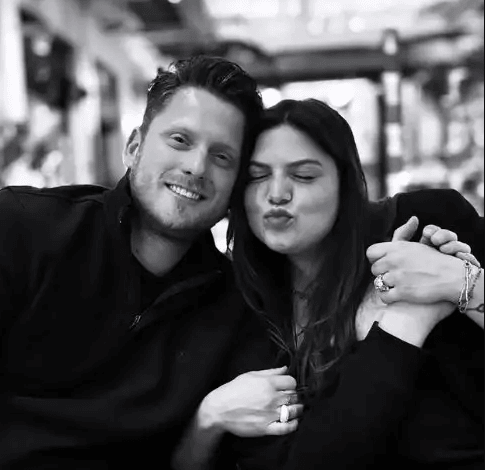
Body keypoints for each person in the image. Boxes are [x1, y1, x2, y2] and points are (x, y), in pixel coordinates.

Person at [0, 56, 304, 469]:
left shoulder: (239, 311)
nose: (196, 166)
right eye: (180, 140)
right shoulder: (26, 229)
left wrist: (206, 421)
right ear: (134, 147)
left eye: (221, 157)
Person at [173, 98, 484, 469]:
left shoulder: (424, 221)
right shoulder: (245, 307)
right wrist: (405, 324)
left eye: (304, 176)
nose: (277, 193)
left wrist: (461, 282)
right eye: (256, 176)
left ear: (344, 183)